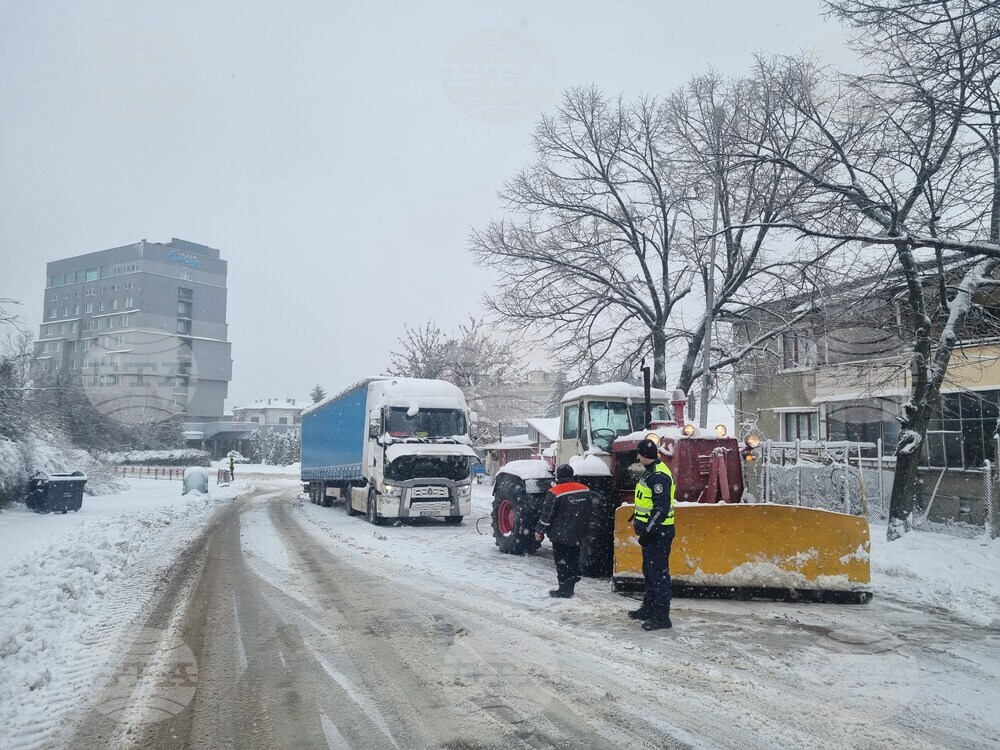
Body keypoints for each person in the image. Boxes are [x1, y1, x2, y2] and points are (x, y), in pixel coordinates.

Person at [629, 438, 676, 630]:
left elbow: (661, 508)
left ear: (642, 455)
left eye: (638, 453)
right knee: (650, 571)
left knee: (659, 574)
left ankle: (662, 615)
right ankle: (648, 607)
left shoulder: (658, 476)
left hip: (659, 533)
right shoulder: (651, 472)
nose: (637, 456)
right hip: (654, 533)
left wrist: (648, 530)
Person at [534, 464, 591, 598]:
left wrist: (539, 530)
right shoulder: (585, 489)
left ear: (558, 477)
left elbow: (547, 515)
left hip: (560, 535)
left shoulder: (555, 492)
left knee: (562, 563)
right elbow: (589, 511)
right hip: (578, 533)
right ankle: (570, 585)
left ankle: (563, 589)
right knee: (573, 559)